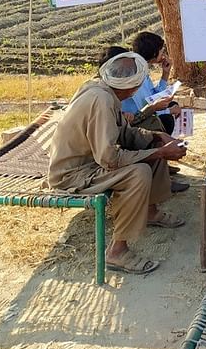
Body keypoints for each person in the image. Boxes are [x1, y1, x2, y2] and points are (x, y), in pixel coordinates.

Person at [46, 52, 187, 275]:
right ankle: (117, 251)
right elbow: (109, 159)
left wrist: (155, 138)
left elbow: (122, 131)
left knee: (153, 147)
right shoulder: (101, 101)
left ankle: (150, 212)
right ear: (132, 89)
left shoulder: (103, 91)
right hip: (73, 174)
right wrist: (158, 152)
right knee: (140, 171)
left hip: (90, 162)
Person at [121, 31, 181, 136]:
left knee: (172, 105)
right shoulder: (135, 75)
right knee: (167, 119)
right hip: (135, 122)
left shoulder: (142, 70)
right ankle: (159, 147)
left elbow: (152, 96)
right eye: (162, 52)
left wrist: (165, 74)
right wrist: (168, 111)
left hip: (142, 113)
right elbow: (143, 110)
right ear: (154, 54)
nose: (164, 55)